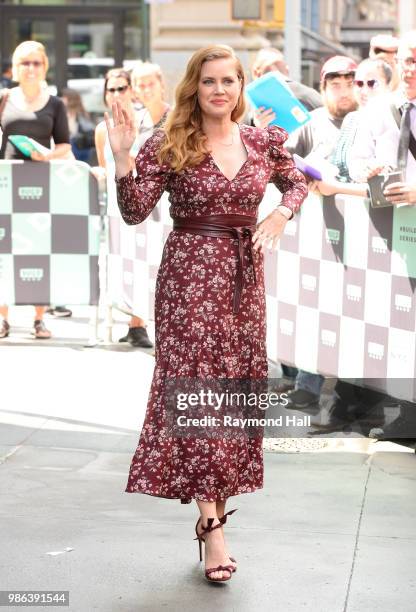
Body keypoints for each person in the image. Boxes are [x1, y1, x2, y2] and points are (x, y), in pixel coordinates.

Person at [106, 44, 307, 582]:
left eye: (229, 81)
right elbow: (133, 212)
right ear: (193, 87)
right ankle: (213, 530)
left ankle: (213, 515)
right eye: (210, 81)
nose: (220, 90)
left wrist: (282, 215)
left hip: (243, 286)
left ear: (242, 88)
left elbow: (297, 181)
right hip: (189, 281)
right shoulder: (170, 141)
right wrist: (124, 158)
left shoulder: (263, 140)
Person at [348, 30, 416, 442]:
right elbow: (356, 162)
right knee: (405, 325)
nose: (411, 68)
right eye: (408, 60)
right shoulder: (381, 110)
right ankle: (409, 414)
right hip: (397, 238)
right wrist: (367, 170)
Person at [283, 55, 358, 409]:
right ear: (323, 88)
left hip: (362, 235)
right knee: (315, 307)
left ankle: (351, 395)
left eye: (350, 84)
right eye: (335, 85)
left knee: (356, 314)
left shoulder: (367, 122)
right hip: (317, 234)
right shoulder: (311, 123)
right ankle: (307, 385)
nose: (343, 92)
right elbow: (284, 160)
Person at [0, 40, 71, 340]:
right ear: (15, 68)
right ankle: (3, 318)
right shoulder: (3, 99)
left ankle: (39, 319)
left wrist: (48, 155)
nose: (31, 68)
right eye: (24, 63)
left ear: (45, 67)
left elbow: (65, 144)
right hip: (5, 185)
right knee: (4, 252)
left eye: (36, 63)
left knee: (39, 251)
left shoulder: (55, 104)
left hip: (42, 186)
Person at [95, 68, 153, 349]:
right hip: (115, 207)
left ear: (131, 90)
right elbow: (105, 167)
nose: (116, 94)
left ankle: (139, 324)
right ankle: (128, 319)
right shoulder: (100, 129)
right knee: (119, 261)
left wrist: (129, 159)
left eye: (121, 88)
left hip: (143, 203)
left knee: (144, 260)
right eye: (111, 90)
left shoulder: (144, 121)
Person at [61, 87, 96, 164]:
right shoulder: (82, 111)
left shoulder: (69, 113)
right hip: (86, 148)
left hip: (75, 147)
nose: (61, 99)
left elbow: (72, 131)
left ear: (69, 98)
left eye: (63, 97)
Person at [131, 60, 170, 128]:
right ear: (135, 92)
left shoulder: (177, 118)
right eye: (141, 86)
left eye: (151, 84)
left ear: (162, 85)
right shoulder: (136, 122)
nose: (147, 90)